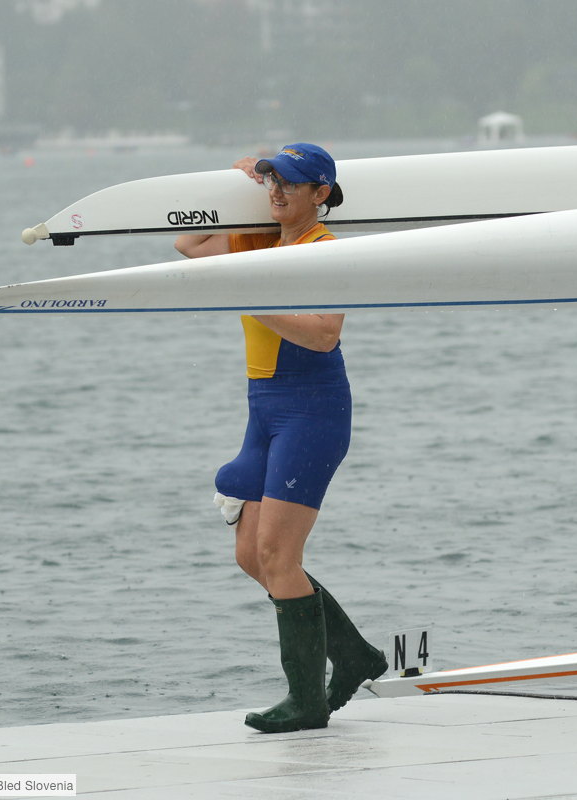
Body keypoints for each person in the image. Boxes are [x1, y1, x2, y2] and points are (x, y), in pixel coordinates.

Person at [175, 143, 387, 733]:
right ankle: (355, 655)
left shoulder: (326, 252)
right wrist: (235, 183)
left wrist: (252, 295)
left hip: (312, 410)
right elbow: (189, 245)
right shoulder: (256, 241)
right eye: (271, 182)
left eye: (288, 185)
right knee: (252, 556)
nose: (276, 193)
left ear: (320, 194)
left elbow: (323, 335)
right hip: (263, 409)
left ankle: (307, 703)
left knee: (278, 556)